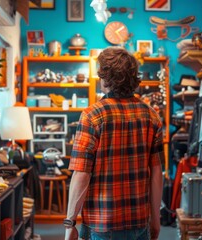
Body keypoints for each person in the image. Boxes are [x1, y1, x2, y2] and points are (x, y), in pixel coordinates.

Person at [64, 47, 164, 240]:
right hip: (139, 221)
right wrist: (155, 219)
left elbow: (81, 174)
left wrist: (70, 222)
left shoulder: (92, 115)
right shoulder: (151, 116)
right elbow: (157, 172)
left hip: (102, 222)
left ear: (105, 77)